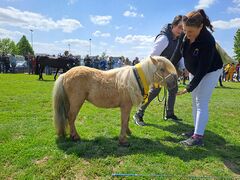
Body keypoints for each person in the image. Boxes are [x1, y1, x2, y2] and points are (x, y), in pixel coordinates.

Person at [171, 9, 223, 146]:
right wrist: (168, 68)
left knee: (201, 101)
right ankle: (196, 130)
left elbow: (202, 70)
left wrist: (188, 88)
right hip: (195, 70)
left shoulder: (208, 41)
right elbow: (177, 54)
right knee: (194, 101)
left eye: (191, 32)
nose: (187, 35)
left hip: (210, 71)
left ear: (200, 27)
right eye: (185, 31)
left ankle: (198, 138)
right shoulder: (185, 34)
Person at [133, 15, 185, 126]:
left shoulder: (179, 39)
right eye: (180, 27)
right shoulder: (164, 39)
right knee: (154, 92)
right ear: (173, 25)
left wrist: (182, 68)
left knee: (173, 90)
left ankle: (170, 114)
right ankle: (138, 114)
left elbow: (180, 55)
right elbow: (152, 56)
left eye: (184, 29)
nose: (182, 31)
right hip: (157, 70)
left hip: (168, 71)